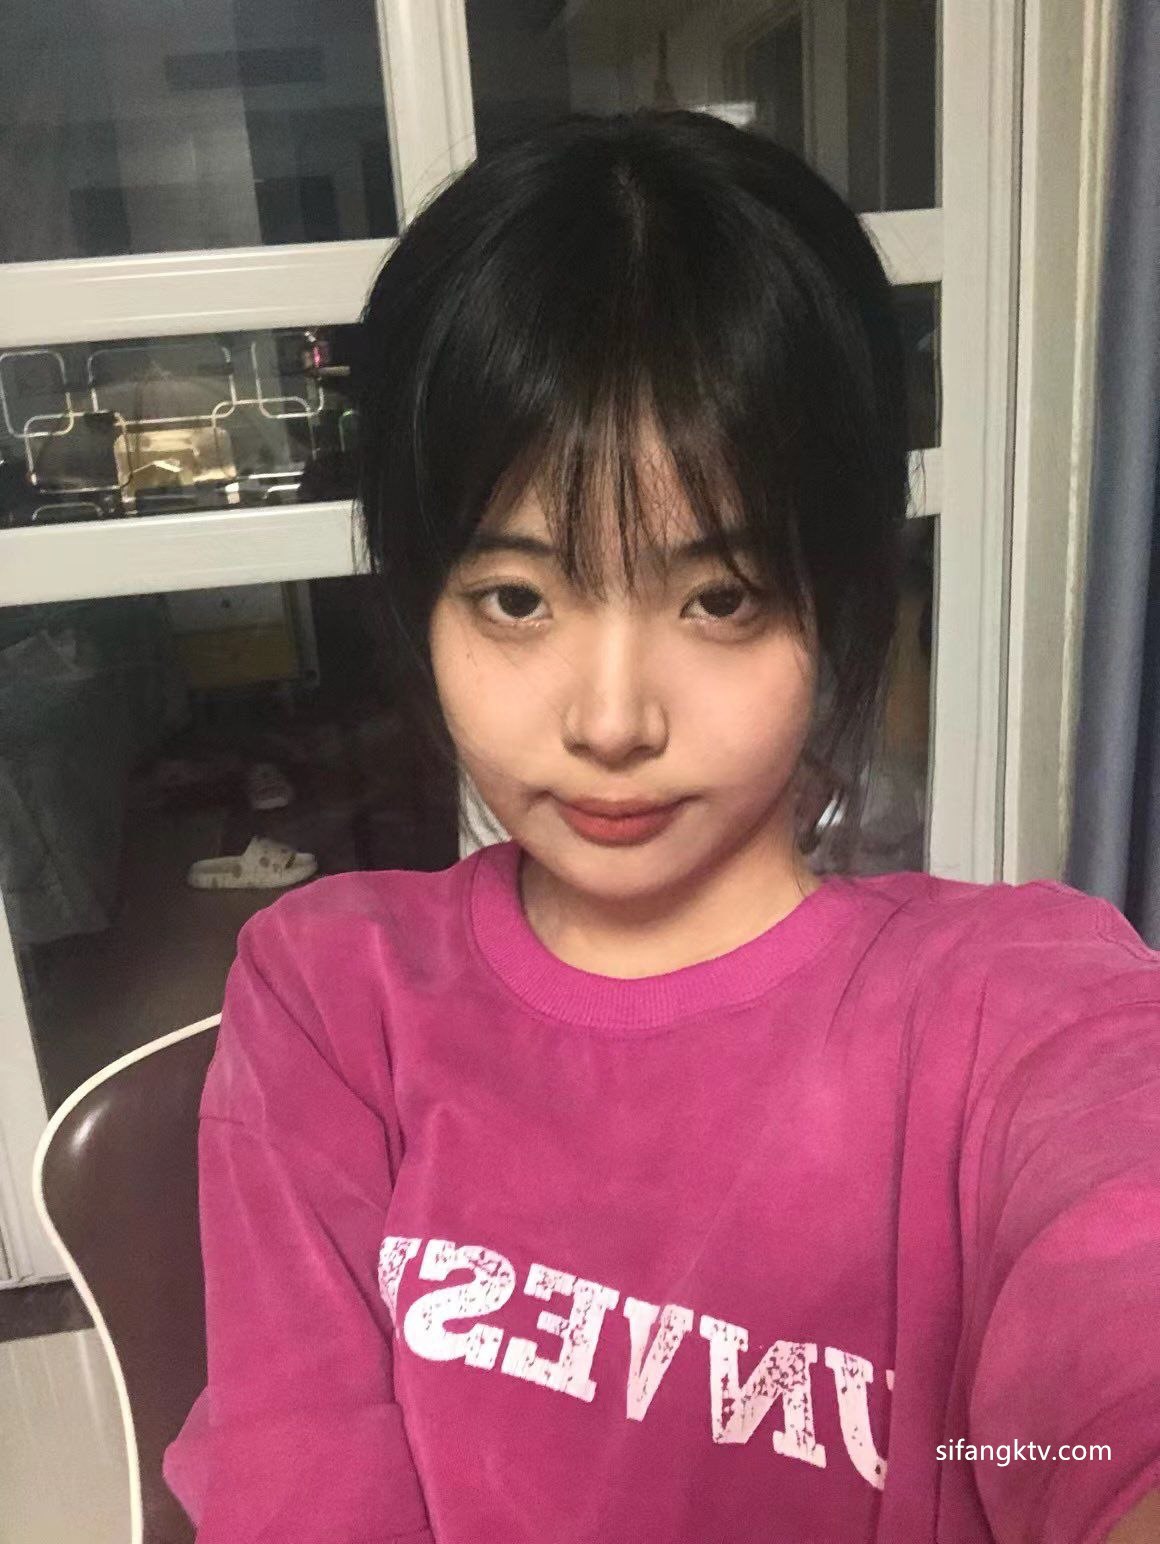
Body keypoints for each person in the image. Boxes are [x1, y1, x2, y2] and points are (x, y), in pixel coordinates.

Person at [163, 110, 1160, 1542]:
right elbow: (298, 1472)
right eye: (518, 599)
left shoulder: (1015, 1006)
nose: (613, 718)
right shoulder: (333, 994)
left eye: (718, 598)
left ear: (840, 598)